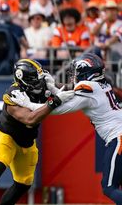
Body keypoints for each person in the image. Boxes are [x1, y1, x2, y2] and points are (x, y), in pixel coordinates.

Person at [10, 53, 122, 204]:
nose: (74, 75)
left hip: (118, 137)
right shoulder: (102, 84)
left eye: (76, 72)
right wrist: (54, 88)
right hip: (117, 135)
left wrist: (28, 104)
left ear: (86, 73)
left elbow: (58, 108)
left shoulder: (89, 89)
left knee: (109, 187)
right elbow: (69, 97)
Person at [0, 59, 73, 204]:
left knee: (23, 184)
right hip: (7, 136)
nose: (39, 82)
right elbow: (30, 119)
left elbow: (67, 90)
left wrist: (79, 86)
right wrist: (53, 101)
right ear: (22, 79)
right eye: (34, 79)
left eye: (40, 77)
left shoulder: (42, 83)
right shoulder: (14, 95)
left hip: (27, 141)